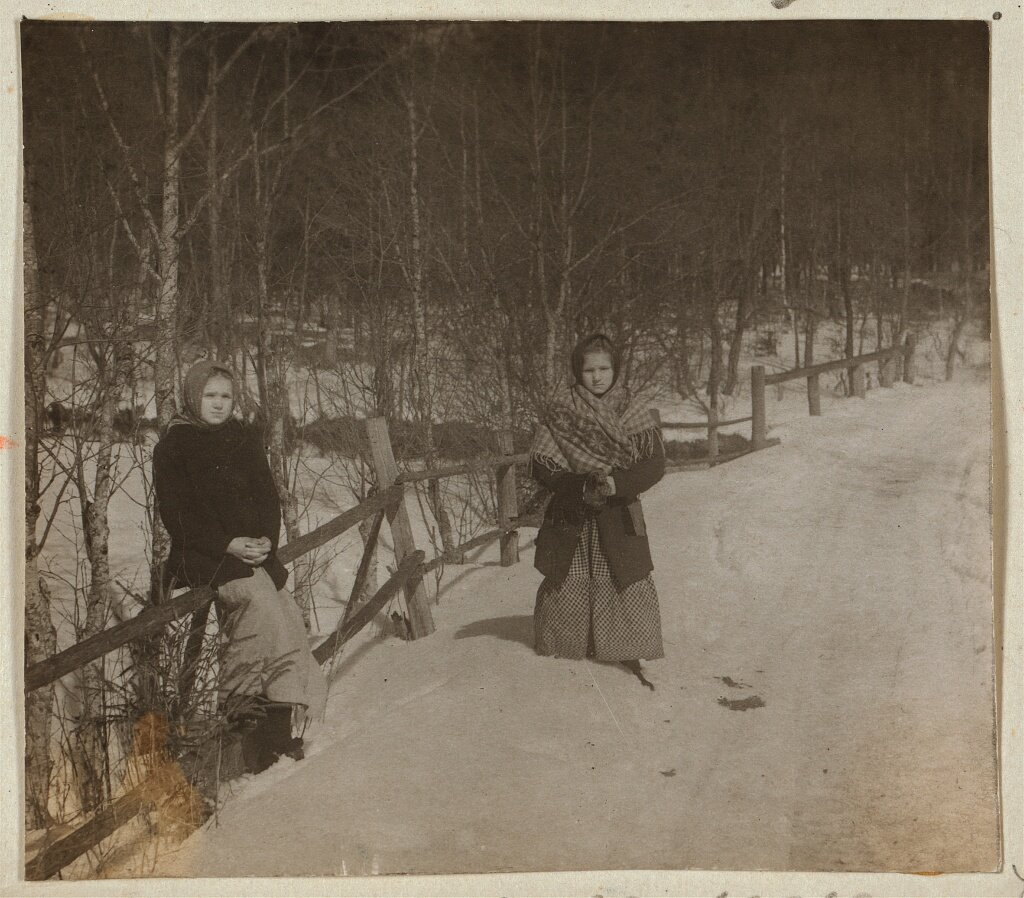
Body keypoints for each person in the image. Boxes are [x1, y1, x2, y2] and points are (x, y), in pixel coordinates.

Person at [153, 359, 327, 772]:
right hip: (205, 556)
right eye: (209, 396)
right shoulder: (173, 447)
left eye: (226, 396)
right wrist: (228, 543)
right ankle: (244, 741)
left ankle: (278, 731)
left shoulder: (243, 439)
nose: (218, 404)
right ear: (193, 397)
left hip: (255, 555)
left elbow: (267, 497)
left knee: (287, 614)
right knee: (258, 612)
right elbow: (177, 517)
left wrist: (266, 540)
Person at [530, 334, 665, 689]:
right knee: (568, 573)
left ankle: (625, 645)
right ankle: (565, 643)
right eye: (589, 370)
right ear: (578, 372)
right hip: (572, 510)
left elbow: (654, 465)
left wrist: (616, 484)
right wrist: (579, 486)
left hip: (618, 510)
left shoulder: (632, 410)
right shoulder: (561, 412)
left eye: (604, 368)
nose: (598, 377)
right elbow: (543, 465)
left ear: (615, 369)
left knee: (622, 573)